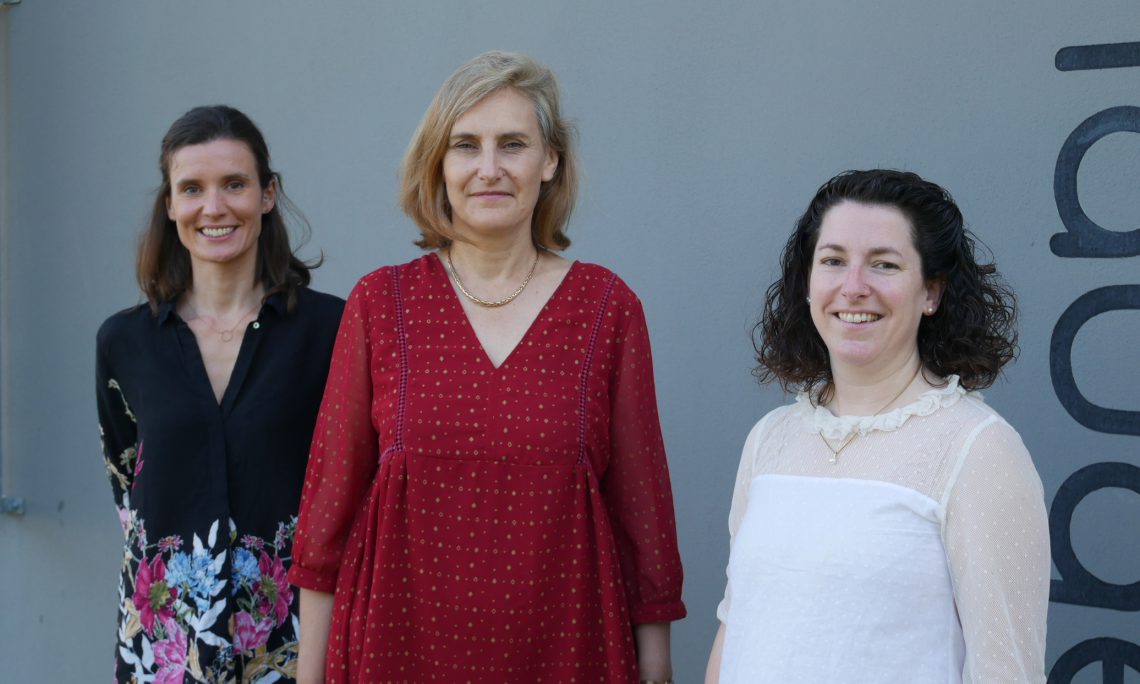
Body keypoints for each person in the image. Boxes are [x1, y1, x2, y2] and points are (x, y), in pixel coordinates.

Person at [288, 51, 686, 683]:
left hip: (567, 645)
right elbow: (328, 509)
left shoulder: (608, 308)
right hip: (397, 645)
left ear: (549, 161)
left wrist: (655, 662)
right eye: (466, 145)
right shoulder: (379, 303)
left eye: (513, 144)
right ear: (439, 165)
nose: (489, 168)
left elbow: (642, 507)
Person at [705, 169, 1049, 683]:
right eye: (833, 261)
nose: (854, 287)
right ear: (807, 283)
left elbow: (1007, 673)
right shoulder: (771, 439)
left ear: (931, 292)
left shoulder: (978, 449)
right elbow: (736, 625)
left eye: (884, 264)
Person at [96, 105, 344, 683]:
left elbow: (346, 494)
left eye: (234, 184)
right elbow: (126, 485)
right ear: (170, 206)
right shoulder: (123, 341)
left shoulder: (333, 330)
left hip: (293, 645)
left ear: (267, 194)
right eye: (192, 188)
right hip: (164, 650)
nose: (214, 207)